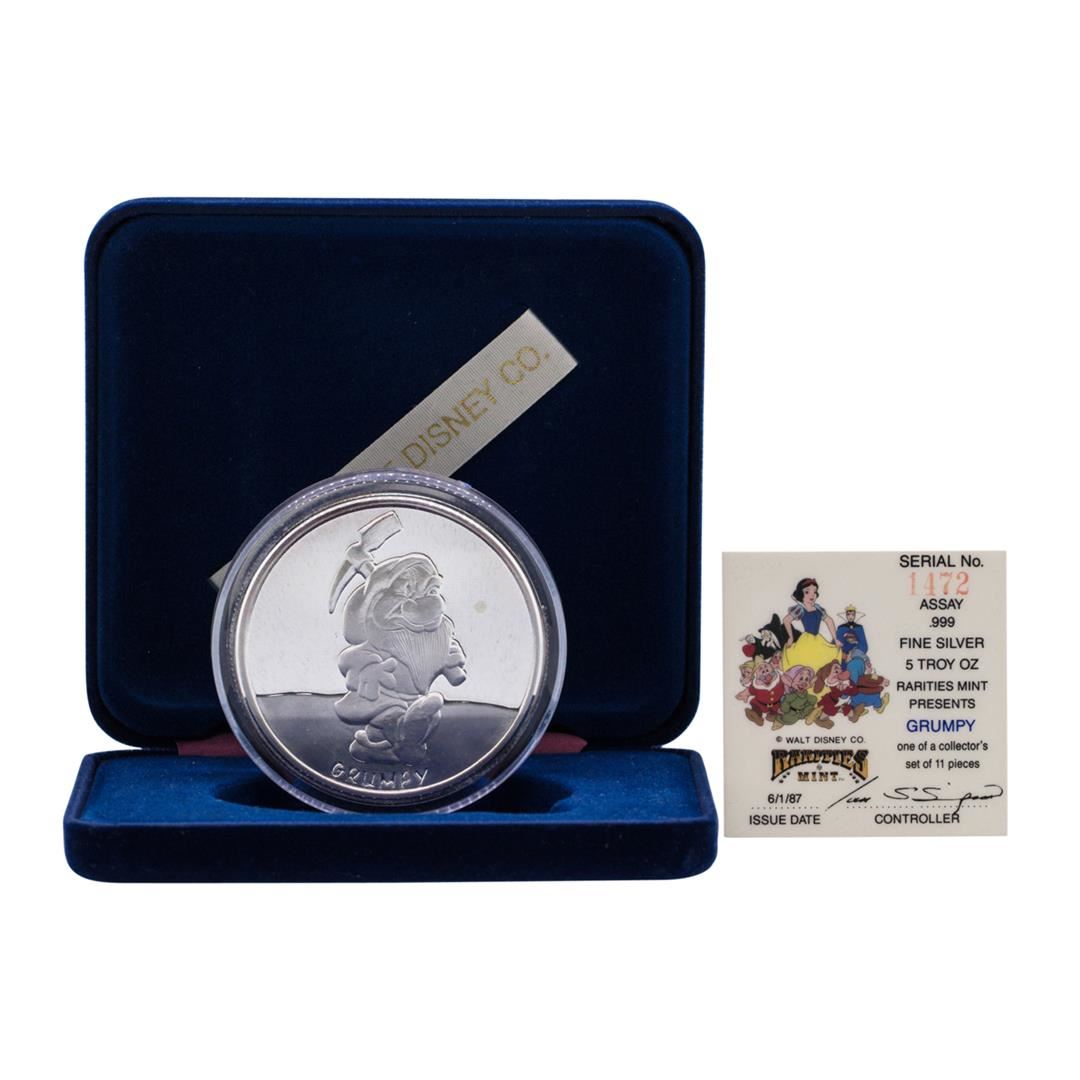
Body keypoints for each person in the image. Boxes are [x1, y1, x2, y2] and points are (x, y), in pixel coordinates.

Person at [781, 578, 841, 672]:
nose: (812, 595)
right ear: (801, 594)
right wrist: (791, 637)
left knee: (825, 657)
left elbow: (829, 620)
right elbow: (786, 620)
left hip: (818, 639)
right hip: (806, 640)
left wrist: (835, 638)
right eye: (807, 592)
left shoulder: (818, 608)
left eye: (814, 592)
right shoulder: (800, 609)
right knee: (806, 660)